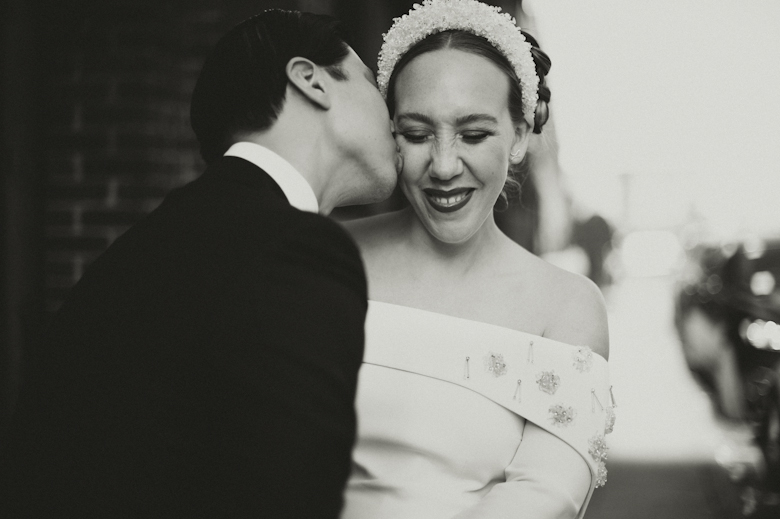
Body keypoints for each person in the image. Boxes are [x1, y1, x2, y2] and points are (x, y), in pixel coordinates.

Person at [0, 9, 397, 518]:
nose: (394, 115)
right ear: (310, 80)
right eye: (372, 83)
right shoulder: (296, 249)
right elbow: (293, 495)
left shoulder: (152, 246)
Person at [340, 1, 614, 518]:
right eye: (417, 135)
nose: (443, 165)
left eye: (474, 134)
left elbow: (546, 496)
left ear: (520, 137)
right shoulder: (326, 256)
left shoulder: (567, 307)